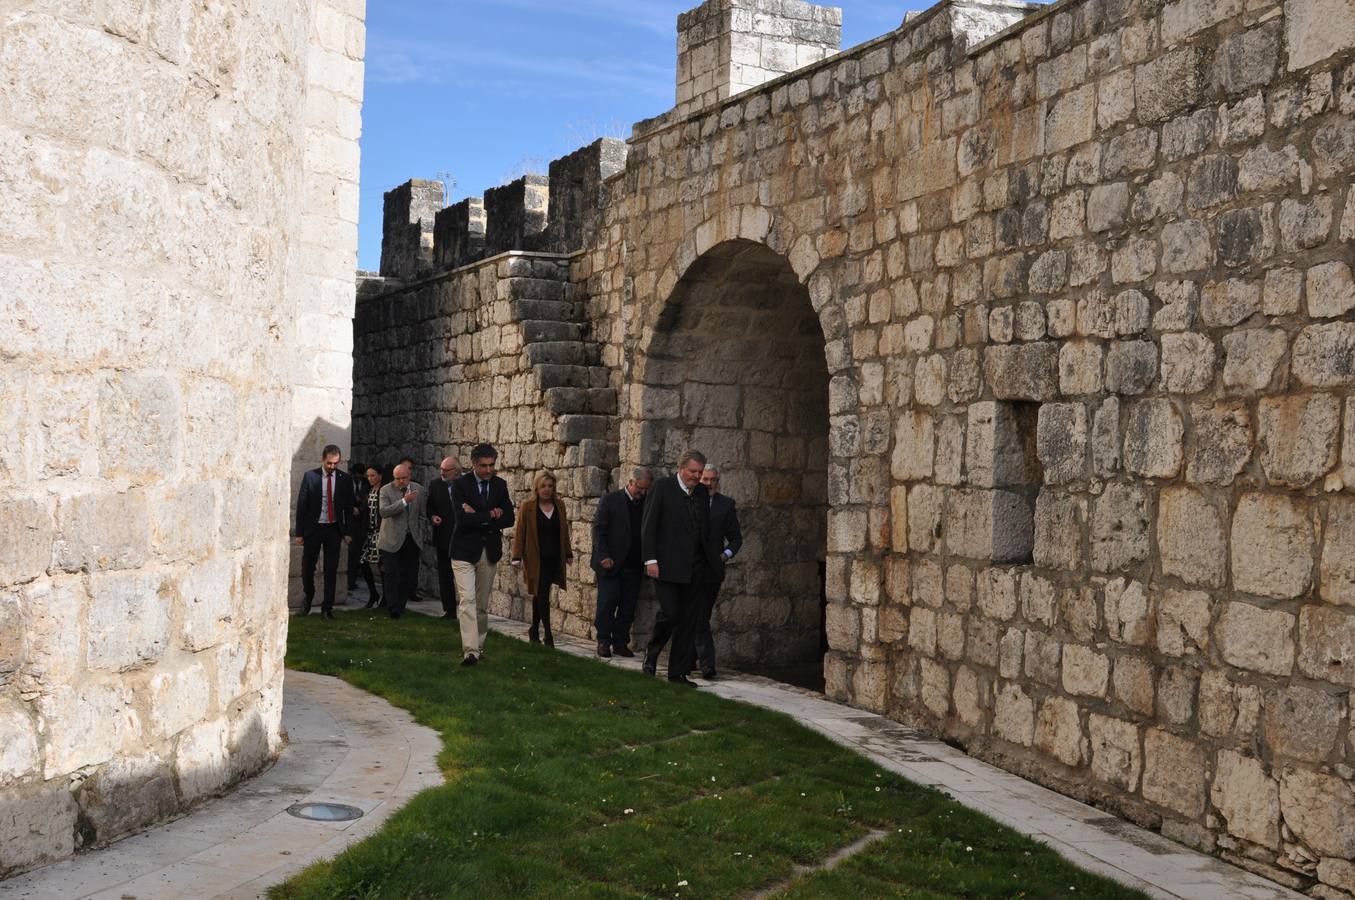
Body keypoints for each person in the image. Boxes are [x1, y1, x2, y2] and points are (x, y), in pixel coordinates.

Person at [641, 450, 720, 687]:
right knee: (670, 614)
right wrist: (650, 560)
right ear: (681, 469)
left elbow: (704, 532)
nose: (696, 476)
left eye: (700, 472)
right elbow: (648, 525)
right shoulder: (662, 488)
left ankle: (677, 672)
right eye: (693, 471)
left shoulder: (702, 494)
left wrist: (711, 563)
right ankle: (652, 652)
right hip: (666, 566)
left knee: (688, 620)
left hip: (695, 568)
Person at [450, 443, 515, 666]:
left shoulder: (499, 485)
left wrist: (478, 514)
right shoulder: (460, 485)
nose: (489, 470)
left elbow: (509, 518)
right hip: (463, 551)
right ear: (474, 464)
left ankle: (478, 645)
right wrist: (490, 514)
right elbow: (462, 519)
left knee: (481, 604)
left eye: (492, 465)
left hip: (489, 550)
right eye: (484, 466)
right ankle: (470, 651)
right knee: (467, 599)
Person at [591, 466, 652, 658]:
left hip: (634, 564)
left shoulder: (646, 503)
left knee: (628, 606)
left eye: (645, 489)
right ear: (630, 482)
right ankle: (603, 641)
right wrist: (603, 556)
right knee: (607, 603)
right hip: (611, 563)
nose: (642, 493)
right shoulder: (611, 500)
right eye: (639, 488)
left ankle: (620, 642)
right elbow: (599, 530)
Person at [510, 472, 574, 647]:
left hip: (554, 558)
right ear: (536, 488)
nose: (547, 490)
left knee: (540, 595)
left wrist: (568, 553)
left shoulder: (559, 505)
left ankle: (533, 629)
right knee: (543, 594)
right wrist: (517, 555)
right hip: (535, 560)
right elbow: (520, 532)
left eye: (550, 486)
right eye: (543, 486)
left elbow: (564, 532)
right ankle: (548, 635)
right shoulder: (528, 506)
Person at [293, 444, 356, 619]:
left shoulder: (345, 479)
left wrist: (348, 531)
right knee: (307, 567)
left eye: (336, 463)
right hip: (314, 528)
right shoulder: (310, 477)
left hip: (333, 529)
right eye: (329, 463)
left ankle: (327, 607)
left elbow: (349, 507)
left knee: (331, 569)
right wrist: (299, 533)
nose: (332, 467)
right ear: (323, 459)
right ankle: (309, 596)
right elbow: (302, 506)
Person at [693, 464, 742, 679]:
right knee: (691, 616)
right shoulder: (689, 500)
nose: (709, 484)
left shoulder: (725, 505)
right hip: (689, 568)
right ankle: (699, 662)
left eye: (713, 480)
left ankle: (703, 664)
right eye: (705, 480)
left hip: (712, 571)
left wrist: (726, 554)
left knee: (701, 616)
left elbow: (736, 538)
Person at [377, 462, 424, 619]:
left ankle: (400, 605)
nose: (401, 481)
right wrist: (404, 501)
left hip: (411, 538)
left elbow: (422, 513)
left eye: (404, 478)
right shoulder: (385, 490)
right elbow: (384, 512)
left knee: (408, 576)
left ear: (409, 476)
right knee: (391, 574)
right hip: (390, 540)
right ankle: (392, 608)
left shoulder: (419, 489)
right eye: (397, 479)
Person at [426, 456, 461, 619]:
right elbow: (429, 507)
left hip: (463, 538)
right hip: (443, 537)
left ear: (456, 472)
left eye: (446, 470)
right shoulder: (435, 485)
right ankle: (450, 610)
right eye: (441, 469)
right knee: (445, 575)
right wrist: (433, 517)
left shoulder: (466, 485)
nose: (442, 473)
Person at [355, 464, 383, 608]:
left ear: (380, 475)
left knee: (381, 564)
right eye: (369, 476)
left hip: (381, 533)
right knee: (363, 562)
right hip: (369, 533)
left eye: (373, 475)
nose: (370, 478)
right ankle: (373, 593)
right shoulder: (367, 491)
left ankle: (384, 597)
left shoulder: (384, 491)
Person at [346, 460, 367, 592]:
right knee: (351, 552)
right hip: (351, 522)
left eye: (361, 475)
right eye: (356, 475)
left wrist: (361, 506)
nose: (358, 477)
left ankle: (352, 580)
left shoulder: (365, 483)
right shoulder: (347, 483)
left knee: (358, 552)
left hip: (362, 521)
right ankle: (349, 580)